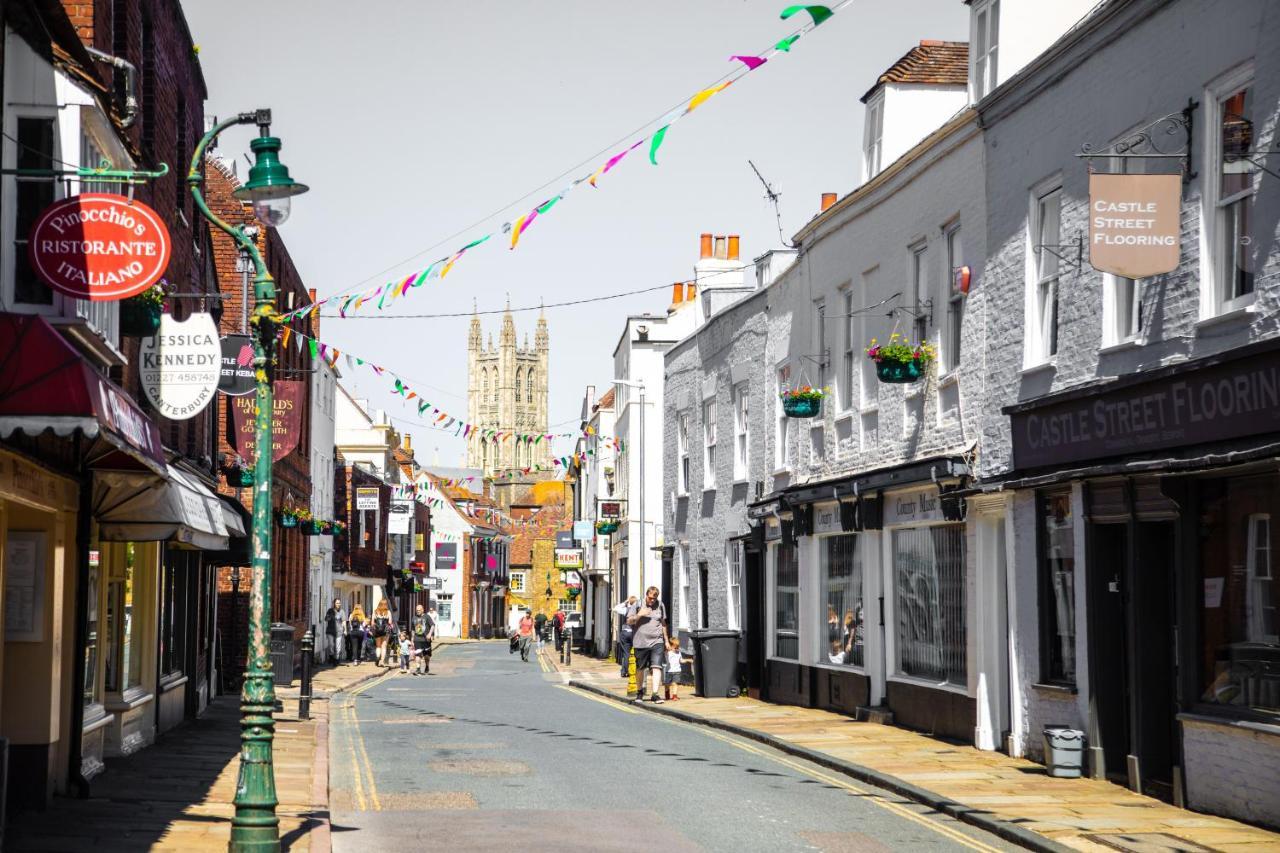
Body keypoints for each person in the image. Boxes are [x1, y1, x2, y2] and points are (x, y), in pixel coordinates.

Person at [627, 586, 667, 703]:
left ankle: (655, 694)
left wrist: (666, 640)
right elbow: (629, 621)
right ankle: (640, 692)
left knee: (657, 667)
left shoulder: (660, 605)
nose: (652, 601)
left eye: (654, 598)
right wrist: (640, 614)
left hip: (657, 641)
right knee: (640, 668)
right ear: (646, 595)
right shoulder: (638, 604)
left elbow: (663, 623)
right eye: (650, 598)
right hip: (640, 642)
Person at [614, 596, 637, 678]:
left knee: (626, 654)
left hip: (625, 633)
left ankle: (624, 671)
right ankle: (635, 670)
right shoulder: (638, 610)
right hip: (635, 633)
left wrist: (625, 602)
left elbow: (615, 608)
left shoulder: (626, 610)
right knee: (637, 652)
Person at [412, 604, 434, 675]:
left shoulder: (427, 617)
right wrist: (412, 638)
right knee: (418, 654)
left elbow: (432, 625)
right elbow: (413, 629)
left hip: (426, 639)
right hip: (417, 639)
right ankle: (418, 669)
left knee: (426, 656)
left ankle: (427, 666)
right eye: (417, 610)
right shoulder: (414, 618)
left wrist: (430, 634)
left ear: (422, 610)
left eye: (419, 610)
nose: (417, 611)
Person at [372, 600, 393, 667]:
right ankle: (382, 661)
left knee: (378, 646)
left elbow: (372, 623)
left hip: (377, 631)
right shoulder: (388, 612)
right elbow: (390, 622)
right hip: (385, 631)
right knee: (383, 646)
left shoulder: (375, 612)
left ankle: (378, 656)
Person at [324, 598, 345, 664]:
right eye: (337, 603)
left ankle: (336, 659)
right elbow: (326, 619)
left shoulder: (342, 611)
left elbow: (344, 621)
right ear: (334, 604)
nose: (338, 604)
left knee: (338, 647)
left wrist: (345, 630)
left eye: (339, 603)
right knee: (331, 645)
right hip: (330, 630)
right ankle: (331, 656)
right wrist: (329, 617)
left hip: (339, 631)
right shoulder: (330, 610)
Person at [663, 636, 684, 701]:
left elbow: (681, 660)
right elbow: (665, 651)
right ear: (671, 646)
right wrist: (668, 648)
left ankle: (674, 696)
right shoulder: (667, 652)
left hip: (677, 670)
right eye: (675, 647)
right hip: (668, 671)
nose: (677, 648)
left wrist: (688, 660)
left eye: (678, 646)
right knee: (667, 684)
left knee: (675, 683)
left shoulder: (679, 653)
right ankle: (667, 693)